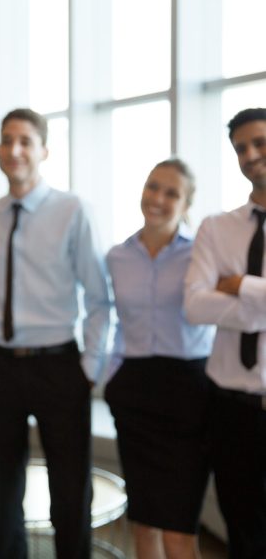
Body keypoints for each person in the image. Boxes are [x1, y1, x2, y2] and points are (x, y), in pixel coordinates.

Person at [0, 108, 112, 559]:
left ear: (43, 150)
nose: (15, 150)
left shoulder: (73, 210)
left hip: (58, 364)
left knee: (70, 489)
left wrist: (87, 367)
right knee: (3, 490)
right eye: (7, 140)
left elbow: (99, 297)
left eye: (26, 141)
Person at [104, 159, 214, 558]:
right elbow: (114, 320)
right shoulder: (117, 256)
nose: (158, 199)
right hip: (134, 391)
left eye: (171, 193)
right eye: (153, 187)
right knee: (145, 519)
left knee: (179, 526)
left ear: (186, 204)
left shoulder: (201, 253)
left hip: (189, 391)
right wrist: (112, 374)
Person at [184, 107, 266, 558]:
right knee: (243, 533)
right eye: (241, 148)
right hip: (231, 408)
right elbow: (196, 306)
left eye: (260, 142)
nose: (251, 155)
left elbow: (215, 301)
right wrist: (258, 310)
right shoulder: (217, 228)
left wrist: (241, 287)